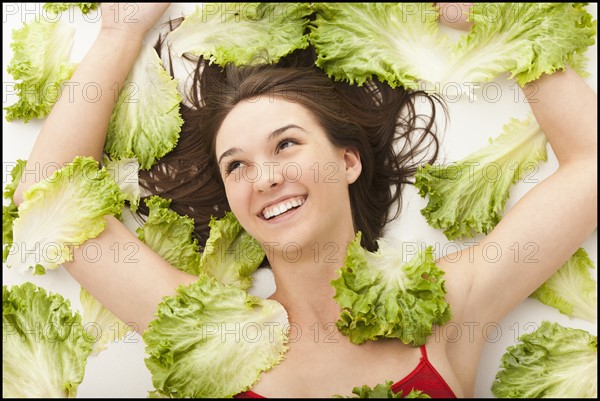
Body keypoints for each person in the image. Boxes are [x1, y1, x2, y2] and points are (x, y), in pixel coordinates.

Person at [12, 3, 597, 398]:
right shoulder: (209, 330)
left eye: (286, 144)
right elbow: (51, 202)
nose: (262, 176)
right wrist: (119, 33)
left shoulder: (449, 305)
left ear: (348, 161)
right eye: (235, 164)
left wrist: (490, 19)